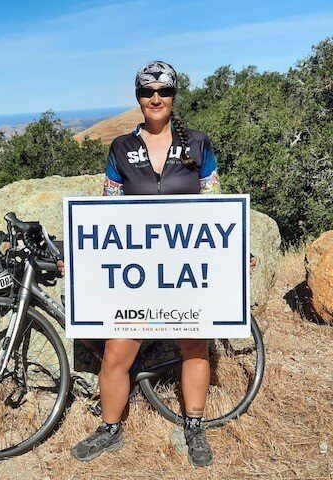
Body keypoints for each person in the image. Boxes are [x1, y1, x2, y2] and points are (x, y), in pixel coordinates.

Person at [55, 60, 257, 468]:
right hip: (138, 275)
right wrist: (82, 258)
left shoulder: (198, 144)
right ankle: (110, 429)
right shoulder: (120, 149)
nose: (156, 99)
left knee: (195, 345)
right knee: (116, 354)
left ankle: (194, 426)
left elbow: (215, 203)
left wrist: (235, 250)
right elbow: (108, 212)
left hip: (187, 272)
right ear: (138, 98)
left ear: (173, 97)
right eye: (147, 93)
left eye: (163, 92)